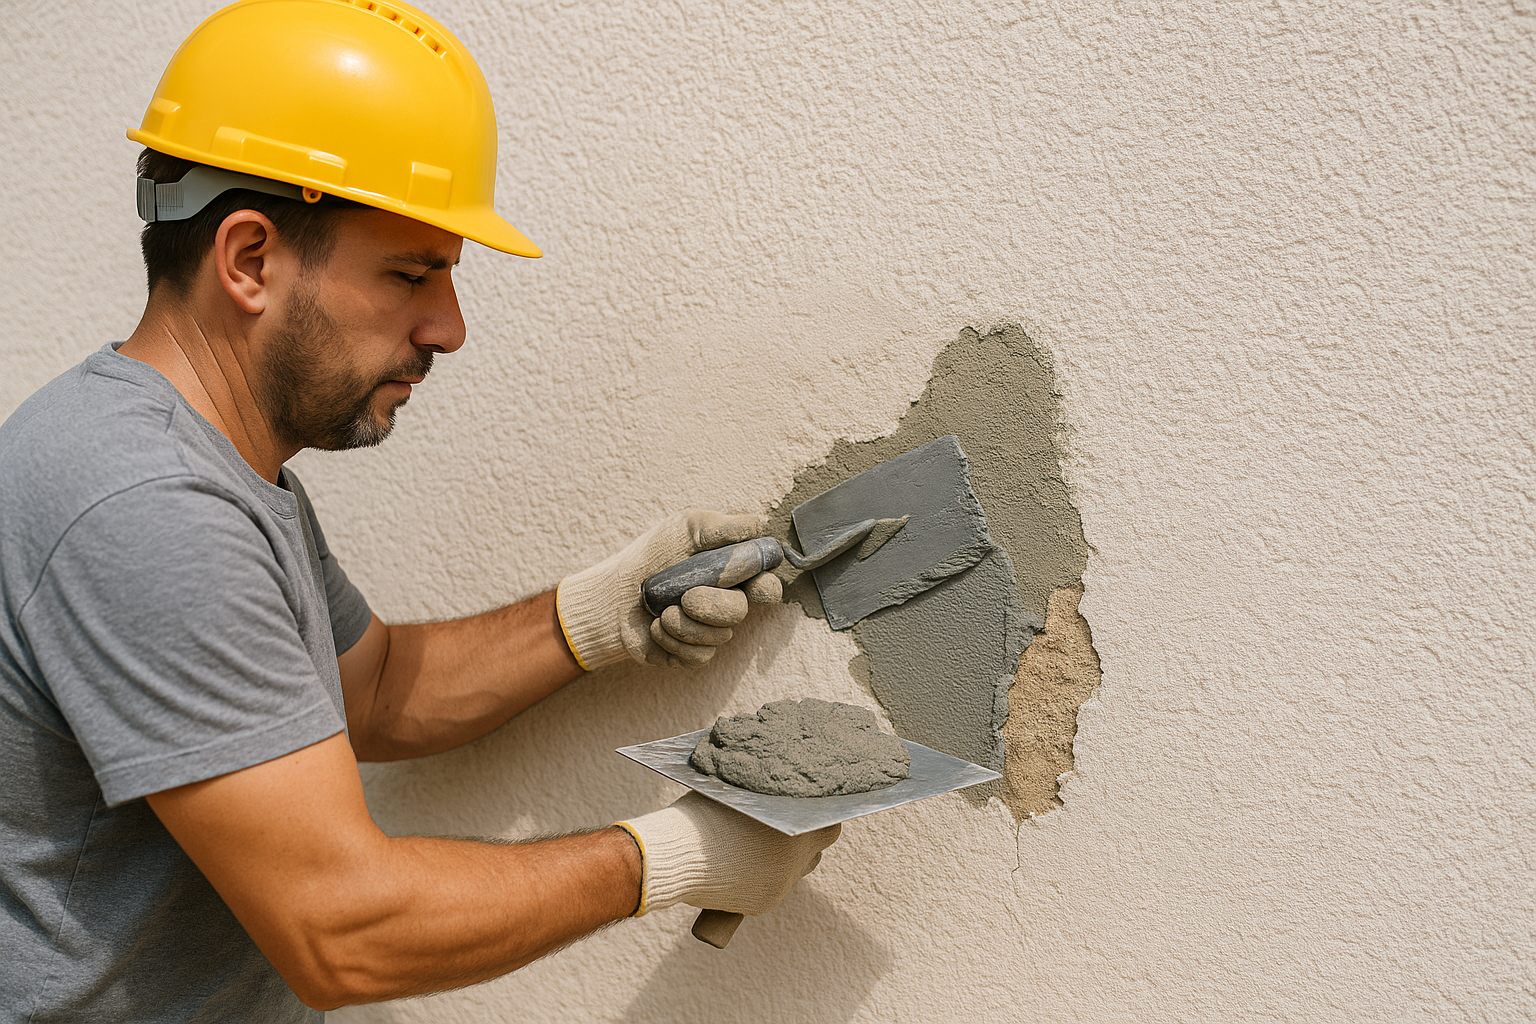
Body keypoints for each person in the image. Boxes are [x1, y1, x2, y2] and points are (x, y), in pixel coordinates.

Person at [0, 1, 839, 1019]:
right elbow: (343, 929)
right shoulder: (145, 506)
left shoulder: (212, 467)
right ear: (250, 259)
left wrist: (596, 613)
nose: (449, 327)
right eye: (410, 273)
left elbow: (373, 690)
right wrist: (676, 856)